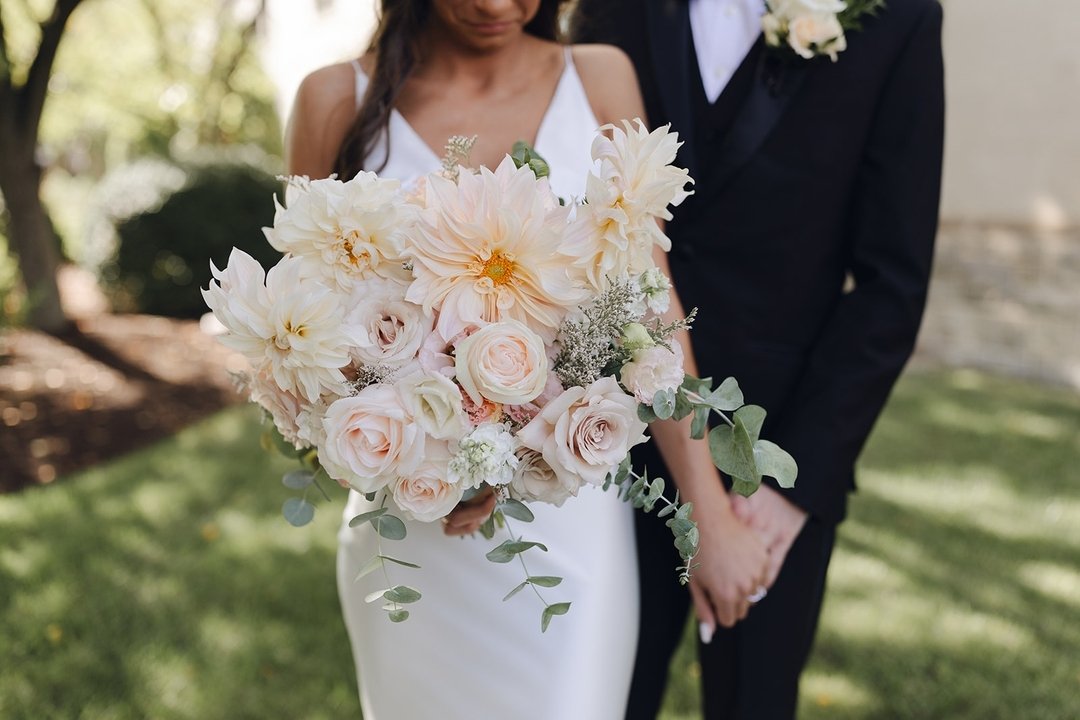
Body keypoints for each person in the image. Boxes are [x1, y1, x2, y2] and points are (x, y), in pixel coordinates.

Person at [284, 1, 767, 717]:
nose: (496, 5)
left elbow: (650, 310)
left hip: (569, 527)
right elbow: (301, 346)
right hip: (412, 535)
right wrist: (436, 462)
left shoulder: (600, 78)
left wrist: (708, 515)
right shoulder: (333, 102)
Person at [571, 0, 945, 718]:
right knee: (598, 697)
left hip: (775, 460)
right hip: (602, 436)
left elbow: (892, 283)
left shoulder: (899, 18)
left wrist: (789, 490)